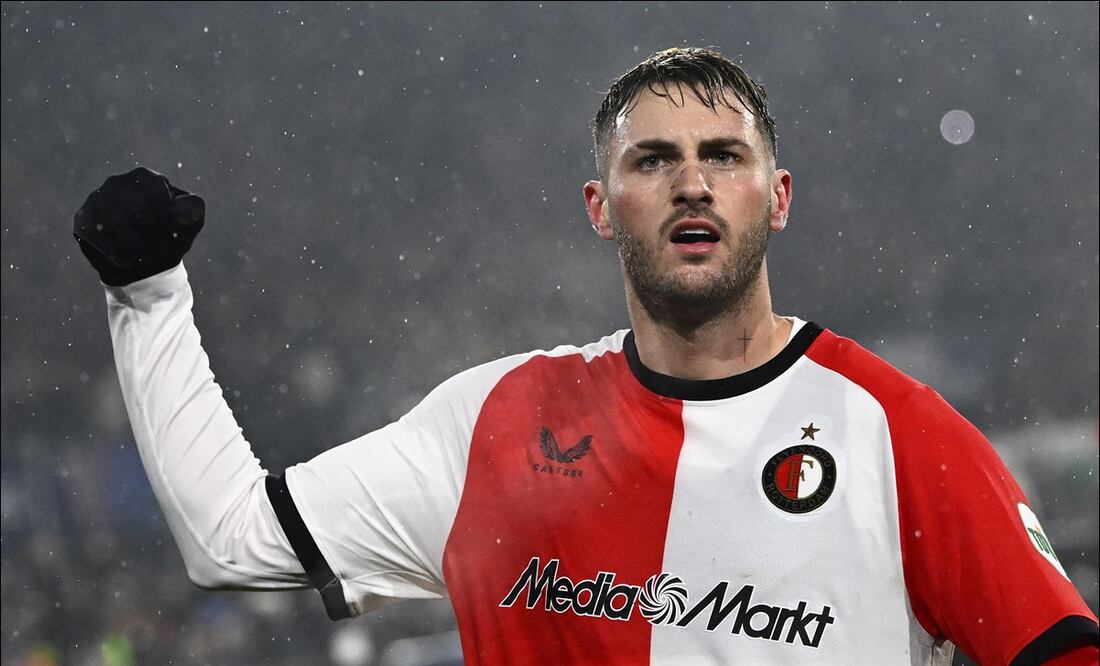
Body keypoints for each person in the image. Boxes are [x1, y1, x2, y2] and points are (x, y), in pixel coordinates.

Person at [73, 47, 1097, 665]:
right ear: (601, 209)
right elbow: (231, 540)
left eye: (721, 157)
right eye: (653, 160)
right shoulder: (492, 424)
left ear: (774, 198)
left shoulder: (899, 434)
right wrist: (150, 299)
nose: (690, 184)